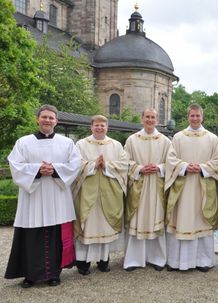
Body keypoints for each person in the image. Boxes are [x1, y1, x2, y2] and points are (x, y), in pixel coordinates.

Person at [5, 104, 81, 288]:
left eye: (51, 118)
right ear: (37, 119)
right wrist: (37, 170)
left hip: (57, 196)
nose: (47, 120)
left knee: (55, 237)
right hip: (34, 197)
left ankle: (54, 274)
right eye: (44, 117)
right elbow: (15, 165)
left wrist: (54, 169)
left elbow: (75, 164)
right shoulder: (23, 142)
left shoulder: (67, 143)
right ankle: (30, 275)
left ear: (56, 121)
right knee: (31, 236)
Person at [164, 104, 218, 272]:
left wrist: (203, 168)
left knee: (201, 219)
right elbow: (171, 159)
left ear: (202, 117)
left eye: (198, 115)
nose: (195, 118)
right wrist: (184, 166)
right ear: (188, 117)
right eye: (192, 116)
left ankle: (203, 261)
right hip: (183, 188)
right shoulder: (178, 137)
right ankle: (177, 261)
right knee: (181, 220)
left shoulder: (212, 138)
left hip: (202, 185)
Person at [72, 115, 128, 275]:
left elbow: (124, 165)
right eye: (96, 125)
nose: (99, 128)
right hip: (87, 194)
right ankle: (83, 263)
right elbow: (75, 163)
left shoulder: (116, 145)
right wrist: (92, 165)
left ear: (107, 127)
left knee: (105, 225)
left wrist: (107, 166)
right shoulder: (81, 144)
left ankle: (103, 261)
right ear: (91, 127)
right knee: (87, 226)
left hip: (109, 193)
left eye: (102, 125)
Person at [123, 108, 171, 271]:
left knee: (156, 219)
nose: (150, 120)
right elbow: (125, 162)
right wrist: (139, 169)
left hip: (156, 185)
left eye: (153, 117)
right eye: (147, 117)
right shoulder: (132, 140)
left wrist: (158, 168)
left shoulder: (165, 141)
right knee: (137, 220)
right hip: (139, 186)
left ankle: (157, 258)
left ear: (157, 120)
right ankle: (134, 260)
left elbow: (171, 163)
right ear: (142, 118)